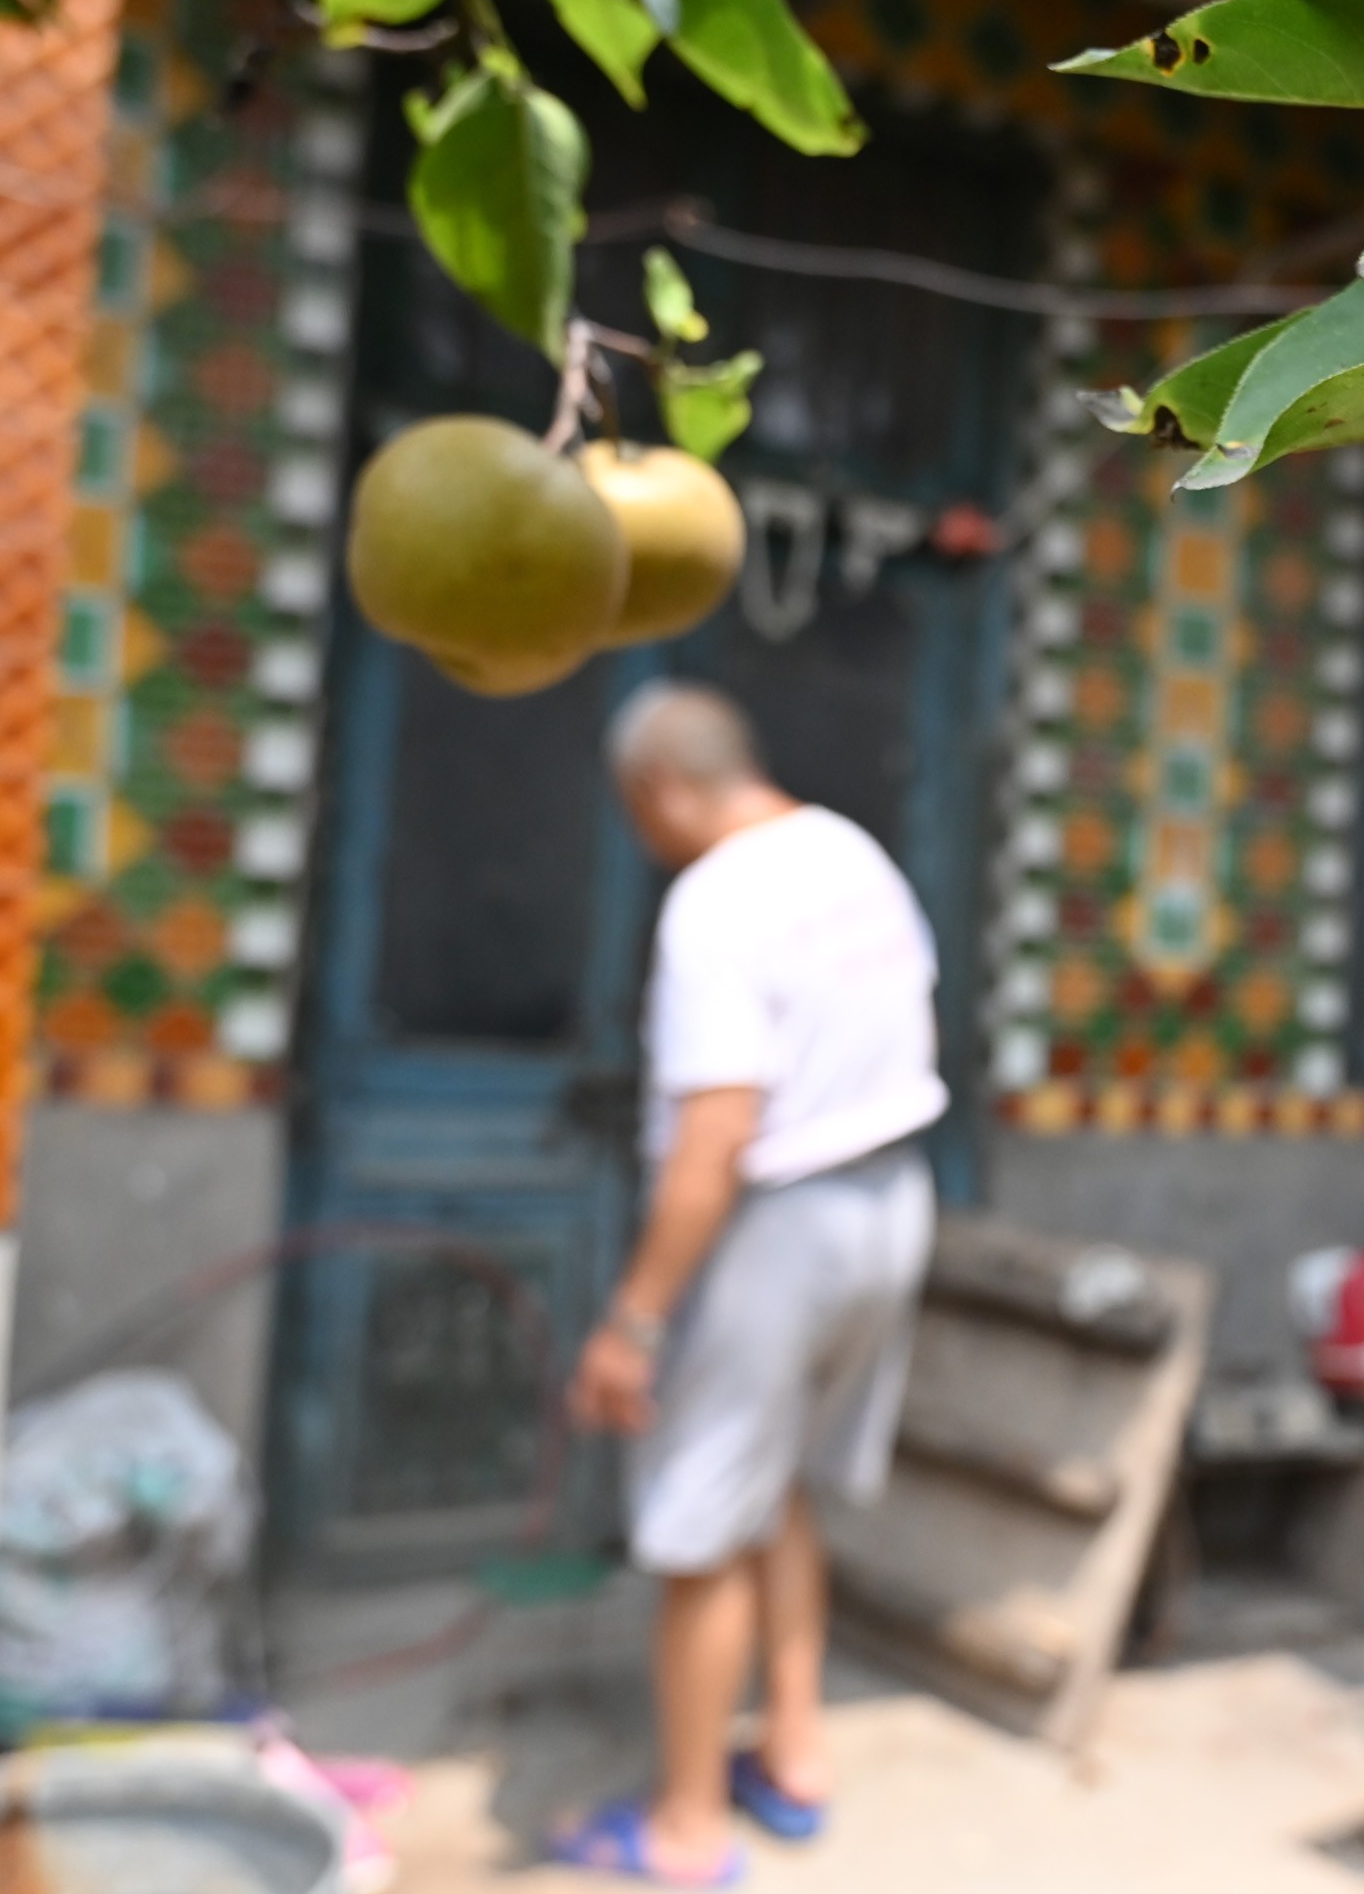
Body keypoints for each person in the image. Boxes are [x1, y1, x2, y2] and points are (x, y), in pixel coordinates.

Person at [556, 681, 945, 1886]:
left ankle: (685, 1830)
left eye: (639, 811)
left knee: (697, 1528)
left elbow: (714, 1136)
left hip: (782, 1227)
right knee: (777, 1484)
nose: (643, 834)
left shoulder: (714, 903)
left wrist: (631, 1320)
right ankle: (795, 1749)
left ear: (666, 787)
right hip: (893, 1205)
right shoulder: (853, 853)